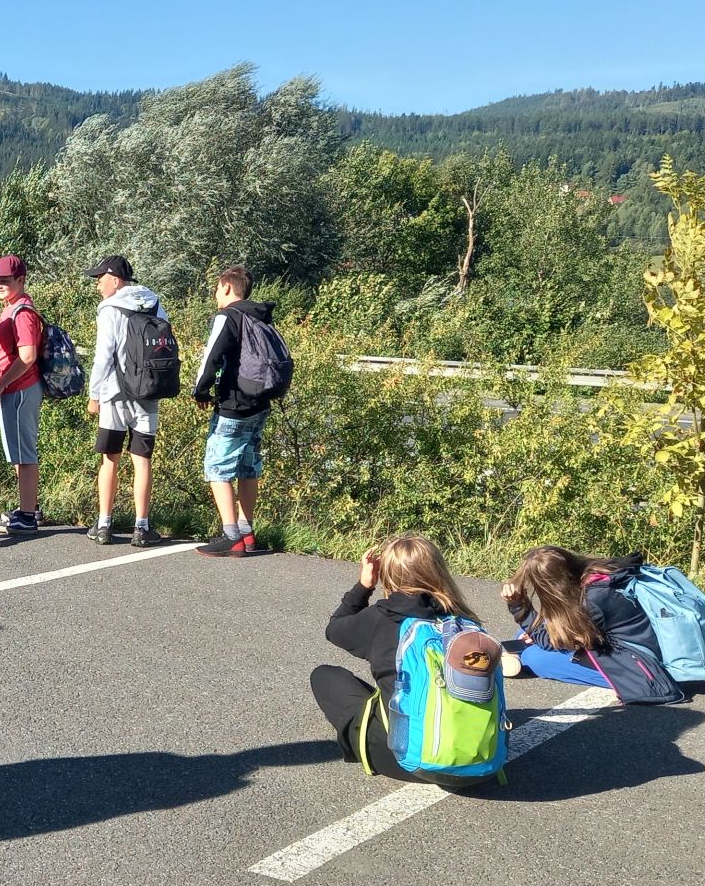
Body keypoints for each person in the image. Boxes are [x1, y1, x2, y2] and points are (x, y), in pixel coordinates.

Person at [310, 535, 485, 786]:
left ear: (389, 575)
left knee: (325, 676)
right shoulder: (465, 621)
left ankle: (373, 740)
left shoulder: (384, 616)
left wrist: (364, 586)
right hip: (480, 760)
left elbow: (334, 629)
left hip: (405, 760)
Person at [500, 547, 676, 700]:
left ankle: (512, 659)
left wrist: (519, 606)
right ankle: (512, 658)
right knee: (527, 633)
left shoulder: (592, 601)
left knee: (534, 657)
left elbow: (553, 642)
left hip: (643, 670)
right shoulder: (600, 573)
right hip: (641, 643)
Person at [192, 266, 276, 558]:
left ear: (227, 287)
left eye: (217, 289)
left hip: (234, 403)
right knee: (247, 466)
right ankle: (246, 531)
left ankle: (231, 537)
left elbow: (212, 356)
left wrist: (200, 391)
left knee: (218, 466)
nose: (216, 294)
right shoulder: (260, 316)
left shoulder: (227, 316)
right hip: (260, 402)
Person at [85, 255, 165, 546]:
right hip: (147, 392)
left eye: (100, 279)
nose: (98, 285)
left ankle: (104, 524)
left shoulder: (109, 309)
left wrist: (94, 394)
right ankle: (142, 528)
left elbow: (104, 355)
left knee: (110, 459)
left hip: (114, 393)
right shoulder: (154, 303)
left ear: (116, 280)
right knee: (142, 461)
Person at [0, 255, 44, 535]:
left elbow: (28, 356)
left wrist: (1, 384)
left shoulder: (22, 313)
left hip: (19, 390)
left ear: (20, 280)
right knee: (19, 452)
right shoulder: (12, 307)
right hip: (15, 389)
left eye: (4, 280)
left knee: (25, 454)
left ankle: (28, 516)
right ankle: (28, 506)